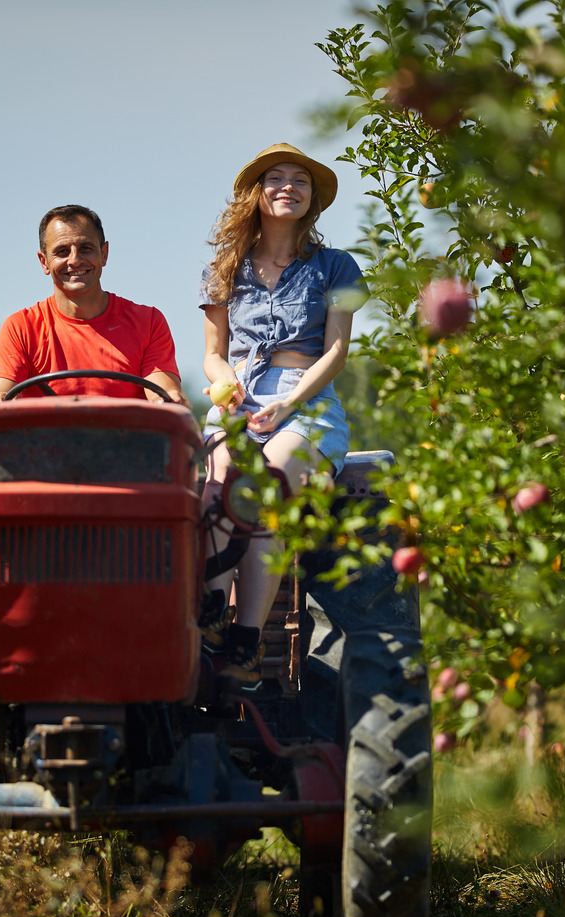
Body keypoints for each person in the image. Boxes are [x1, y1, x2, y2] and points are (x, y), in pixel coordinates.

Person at [199, 143, 363, 679]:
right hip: (239, 392)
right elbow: (214, 355)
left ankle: (246, 640)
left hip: (305, 395)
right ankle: (212, 613)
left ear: (312, 198)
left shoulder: (337, 266)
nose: (288, 186)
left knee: (268, 487)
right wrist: (227, 387)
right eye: (275, 177)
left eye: (301, 179)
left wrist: (288, 403)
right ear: (256, 193)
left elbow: (336, 353)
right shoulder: (225, 267)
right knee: (218, 484)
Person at [0, 204, 187, 405]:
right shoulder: (21, 328)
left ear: (104, 254)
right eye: (62, 251)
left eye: (85, 249)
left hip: (125, 430)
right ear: (44, 262)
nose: (74, 260)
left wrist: (169, 399)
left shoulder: (148, 322)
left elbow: (163, 396)